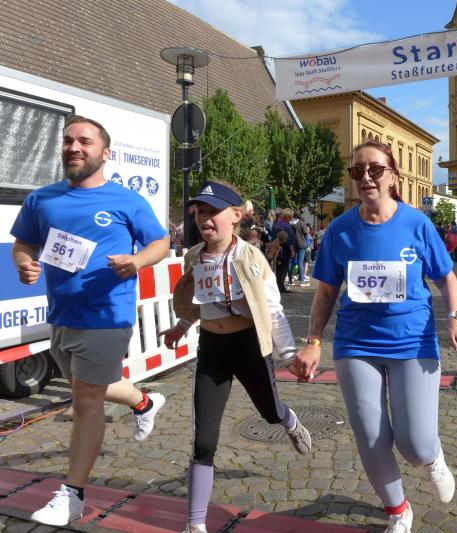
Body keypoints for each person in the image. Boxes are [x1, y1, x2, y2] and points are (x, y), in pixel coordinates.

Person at [289, 141, 457, 533]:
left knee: (414, 444)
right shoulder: (339, 231)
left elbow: (446, 278)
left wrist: (455, 318)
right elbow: (326, 292)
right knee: (371, 438)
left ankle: (432, 457)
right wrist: (314, 340)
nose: (366, 177)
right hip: (356, 344)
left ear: (393, 176)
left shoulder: (417, 224)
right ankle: (398, 511)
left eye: (375, 169)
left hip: (412, 342)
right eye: (358, 171)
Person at [11, 115, 170, 527]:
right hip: (62, 316)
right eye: (68, 140)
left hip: (107, 315)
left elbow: (160, 241)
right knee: (89, 385)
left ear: (105, 152)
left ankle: (73, 495)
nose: (74, 147)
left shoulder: (125, 200)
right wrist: (24, 263)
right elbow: (24, 243)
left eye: (84, 141)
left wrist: (137, 260)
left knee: (85, 400)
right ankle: (145, 402)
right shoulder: (42, 199)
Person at [158, 181, 312, 533]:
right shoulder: (194, 256)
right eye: (200, 212)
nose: (204, 218)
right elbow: (201, 301)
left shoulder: (250, 257)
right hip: (212, 350)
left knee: (270, 412)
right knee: (204, 440)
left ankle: (289, 421)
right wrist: (181, 327)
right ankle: (195, 524)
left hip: (249, 346)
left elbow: (272, 309)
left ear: (236, 216)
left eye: (213, 211)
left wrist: (289, 355)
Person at [272, 208, 295, 293]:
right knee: (283, 269)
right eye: (291, 216)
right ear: (289, 216)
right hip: (285, 251)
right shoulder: (288, 226)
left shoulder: (276, 224)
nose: (292, 218)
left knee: (277, 269)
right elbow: (290, 240)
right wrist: (292, 251)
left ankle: (277, 286)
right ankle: (281, 287)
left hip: (276, 249)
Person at [290, 211, 310, 287]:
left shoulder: (290, 223)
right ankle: (301, 280)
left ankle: (290, 280)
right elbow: (306, 234)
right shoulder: (301, 223)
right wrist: (305, 242)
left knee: (291, 262)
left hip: (292, 244)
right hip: (301, 244)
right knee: (300, 262)